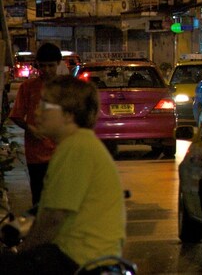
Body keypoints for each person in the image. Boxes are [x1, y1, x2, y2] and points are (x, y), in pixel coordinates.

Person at [0, 75, 126, 273]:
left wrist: (24, 253)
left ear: (68, 114)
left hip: (80, 260)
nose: (36, 112)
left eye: (45, 106)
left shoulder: (76, 148)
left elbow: (54, 218)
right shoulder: (77, 144)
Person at [10, 43, 61, 206]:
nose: (46, 70)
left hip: (62, 152)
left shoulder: (66, 88)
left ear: (58, 64)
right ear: (37, 65)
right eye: (43, 66)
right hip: (36, 153)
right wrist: (30, 128)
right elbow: (16, 115)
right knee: (39, 198)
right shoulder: (28, 87)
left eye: (51, 66)